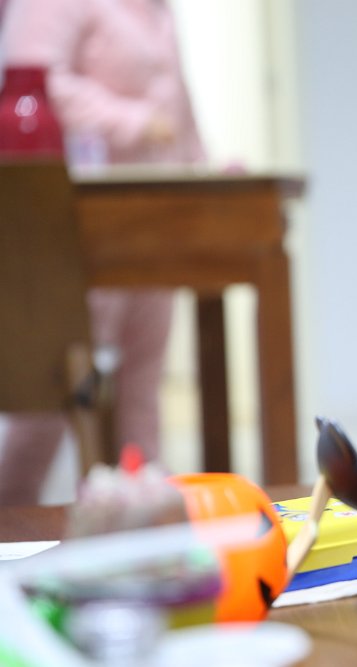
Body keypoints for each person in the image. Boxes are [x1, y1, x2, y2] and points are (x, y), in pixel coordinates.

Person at [0, 0, 204, 504]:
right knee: (56, 395)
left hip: (149, 216)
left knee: (141, 391)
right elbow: (31, 83)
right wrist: (133, 120)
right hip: (74, 220)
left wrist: (201, 172)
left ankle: (145, 523)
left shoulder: (155, 9)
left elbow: (176, 104)